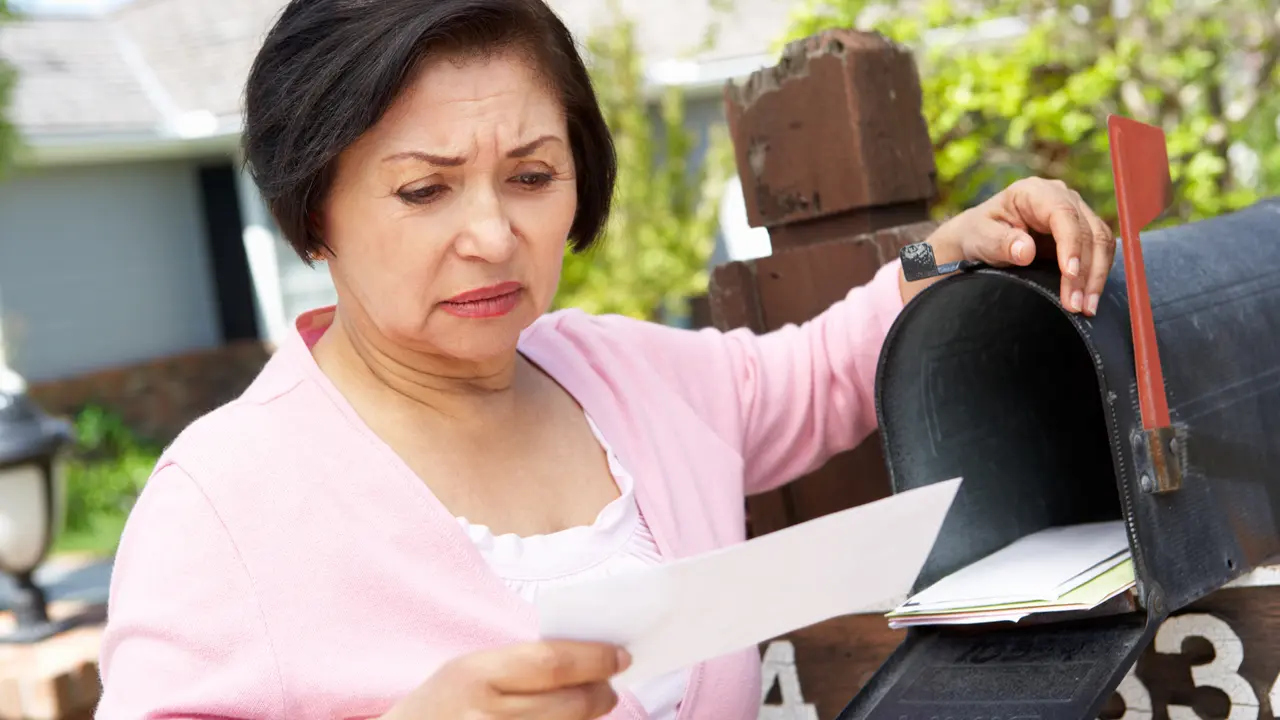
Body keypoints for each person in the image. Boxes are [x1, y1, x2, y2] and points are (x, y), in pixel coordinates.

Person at [94, 0, 1116, 718]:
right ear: (313, 210)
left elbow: (815, 377)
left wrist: (952, 251)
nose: (492, 235)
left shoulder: (627, 378)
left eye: (530, 175)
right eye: (424, 190)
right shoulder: (222, 501)